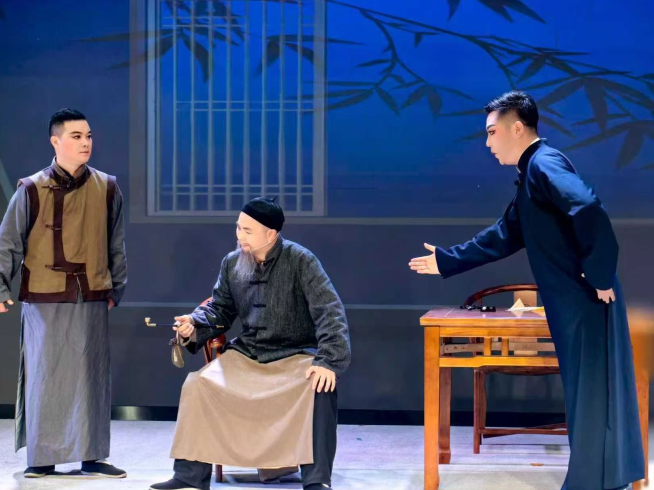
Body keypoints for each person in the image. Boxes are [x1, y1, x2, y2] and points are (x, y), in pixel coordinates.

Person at [409, 91, 644, 490]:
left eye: (491, 132)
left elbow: (588, 208)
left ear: (517, 128)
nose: (487, 142)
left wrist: (600, 275)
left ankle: (594, 482)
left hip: (587, 297)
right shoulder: (533, 171)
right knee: (587, 391)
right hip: (574, 300)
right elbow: (503, 235)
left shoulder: (544, 164)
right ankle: (599, 479)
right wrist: (447, 260)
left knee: (593, 392)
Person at [151, 197, 351, 490]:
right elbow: (219, 309)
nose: (239, 236)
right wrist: (193, 323)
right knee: (198, 384)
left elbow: (329, 311)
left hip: (294, 353)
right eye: (238, 228)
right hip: (248, 353)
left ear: (270, 234)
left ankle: (317, 480)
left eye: (247, 230)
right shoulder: (232, 262)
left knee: (320, 385)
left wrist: (329, 361)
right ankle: (189, 475)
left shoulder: (301, 260)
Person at [0, 109, 128, 478]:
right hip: (45, 293)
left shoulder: (107, 187)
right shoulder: (30, 188)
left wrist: (116, 286)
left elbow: (116, 243)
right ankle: (42, 458)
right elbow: (8, 242)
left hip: (90, 292)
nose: (85, 142)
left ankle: (93, 455)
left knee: (91, 377)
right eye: (76, 136)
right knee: (46, 376)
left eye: (88, 136)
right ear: (55, 141)